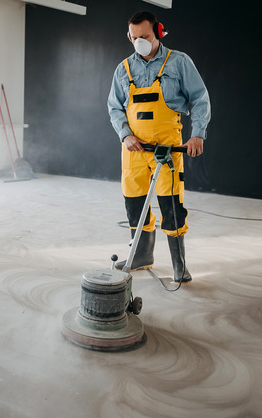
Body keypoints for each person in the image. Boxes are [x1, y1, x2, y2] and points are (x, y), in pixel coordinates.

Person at [107, 10, 210, 282]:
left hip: (167, 148)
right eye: (135, 37)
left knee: (171, 204)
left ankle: (179, 263)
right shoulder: (123, 69)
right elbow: (115, 107)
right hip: (134, 150)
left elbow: (200, 99)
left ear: (159, 33)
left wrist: (197, 134)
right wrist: (126, 135)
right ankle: (141, 256)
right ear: (129, 36)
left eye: (146, 36)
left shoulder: (178, 62)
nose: (140, 41)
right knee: (134, 203)